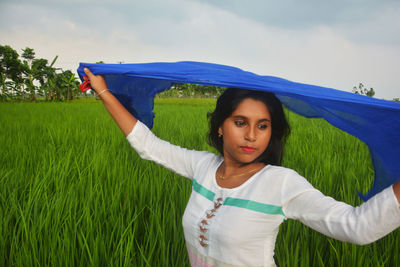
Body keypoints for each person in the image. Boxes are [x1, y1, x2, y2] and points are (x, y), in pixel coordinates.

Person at [83, 67, 400, 267]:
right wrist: (103, 90)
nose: (251, 135)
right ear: (220, 126)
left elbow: (356, 227)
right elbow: (149, 146)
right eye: (240, 122)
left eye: (263, 125)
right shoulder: (204, 167)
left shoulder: (280, 183)